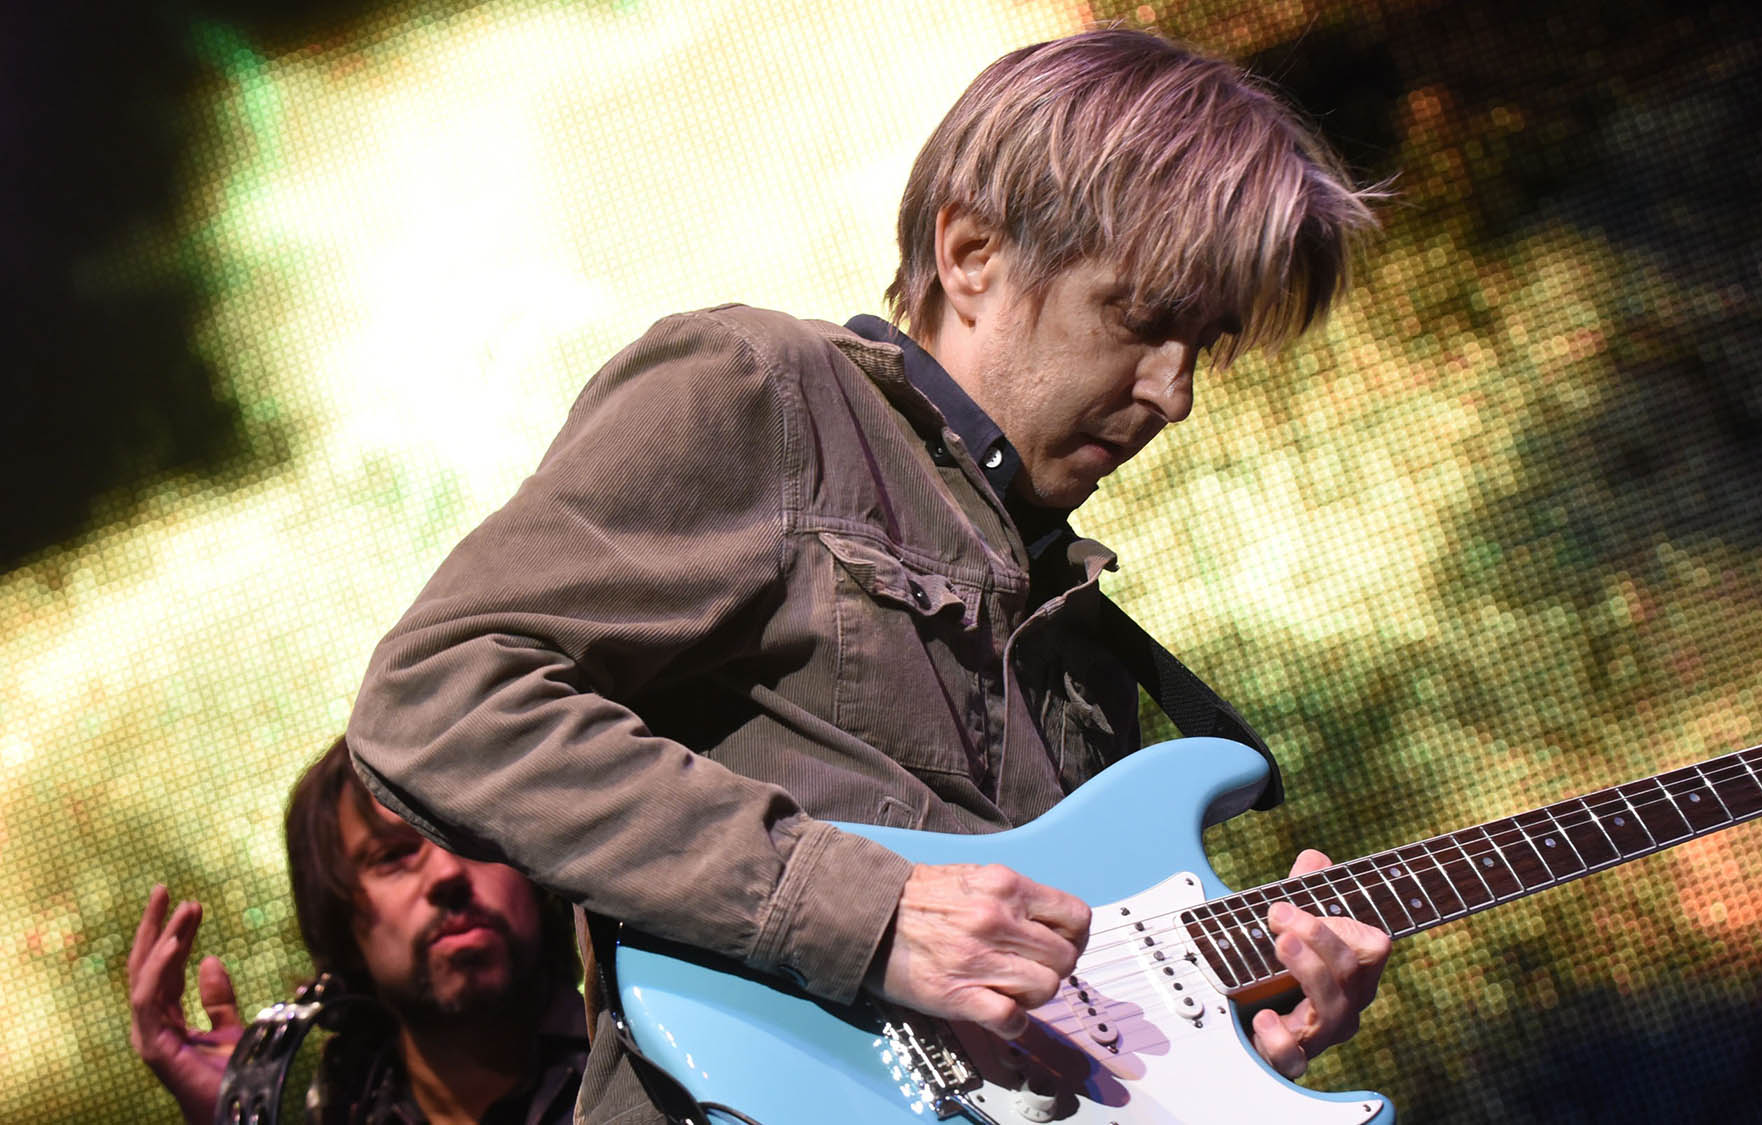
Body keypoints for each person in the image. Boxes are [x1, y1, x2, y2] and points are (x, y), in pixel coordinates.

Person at [347, 28, 1390, 1121]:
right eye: (1142, 320)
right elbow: (437, 696)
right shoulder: (768, 392)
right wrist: (870, 913)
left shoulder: (1082, 636)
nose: (1173, 395)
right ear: (973, 252)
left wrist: (1229, 1035)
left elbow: (1027, 1039)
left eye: (1205, 345)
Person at [126, 736, 588, 1124]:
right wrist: (239, 1108)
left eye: (470, 836)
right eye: (392, 856)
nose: (446, 872)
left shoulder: (649, 1065)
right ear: (340, 923)